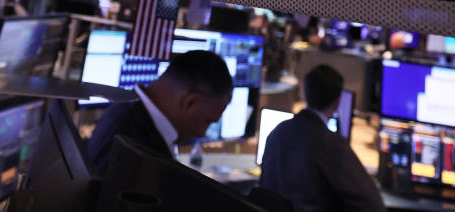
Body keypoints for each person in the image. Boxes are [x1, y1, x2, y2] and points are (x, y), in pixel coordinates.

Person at [259, 64, 386, 212]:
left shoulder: (277, 131)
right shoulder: (330, 143)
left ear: (304, 93)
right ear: (337, 102)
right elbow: (373, 206)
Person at [87, 50, 233, 177]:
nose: (202, 133)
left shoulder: (127, 116)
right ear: (190, 102)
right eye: (207, 121)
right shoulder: (135, 149)